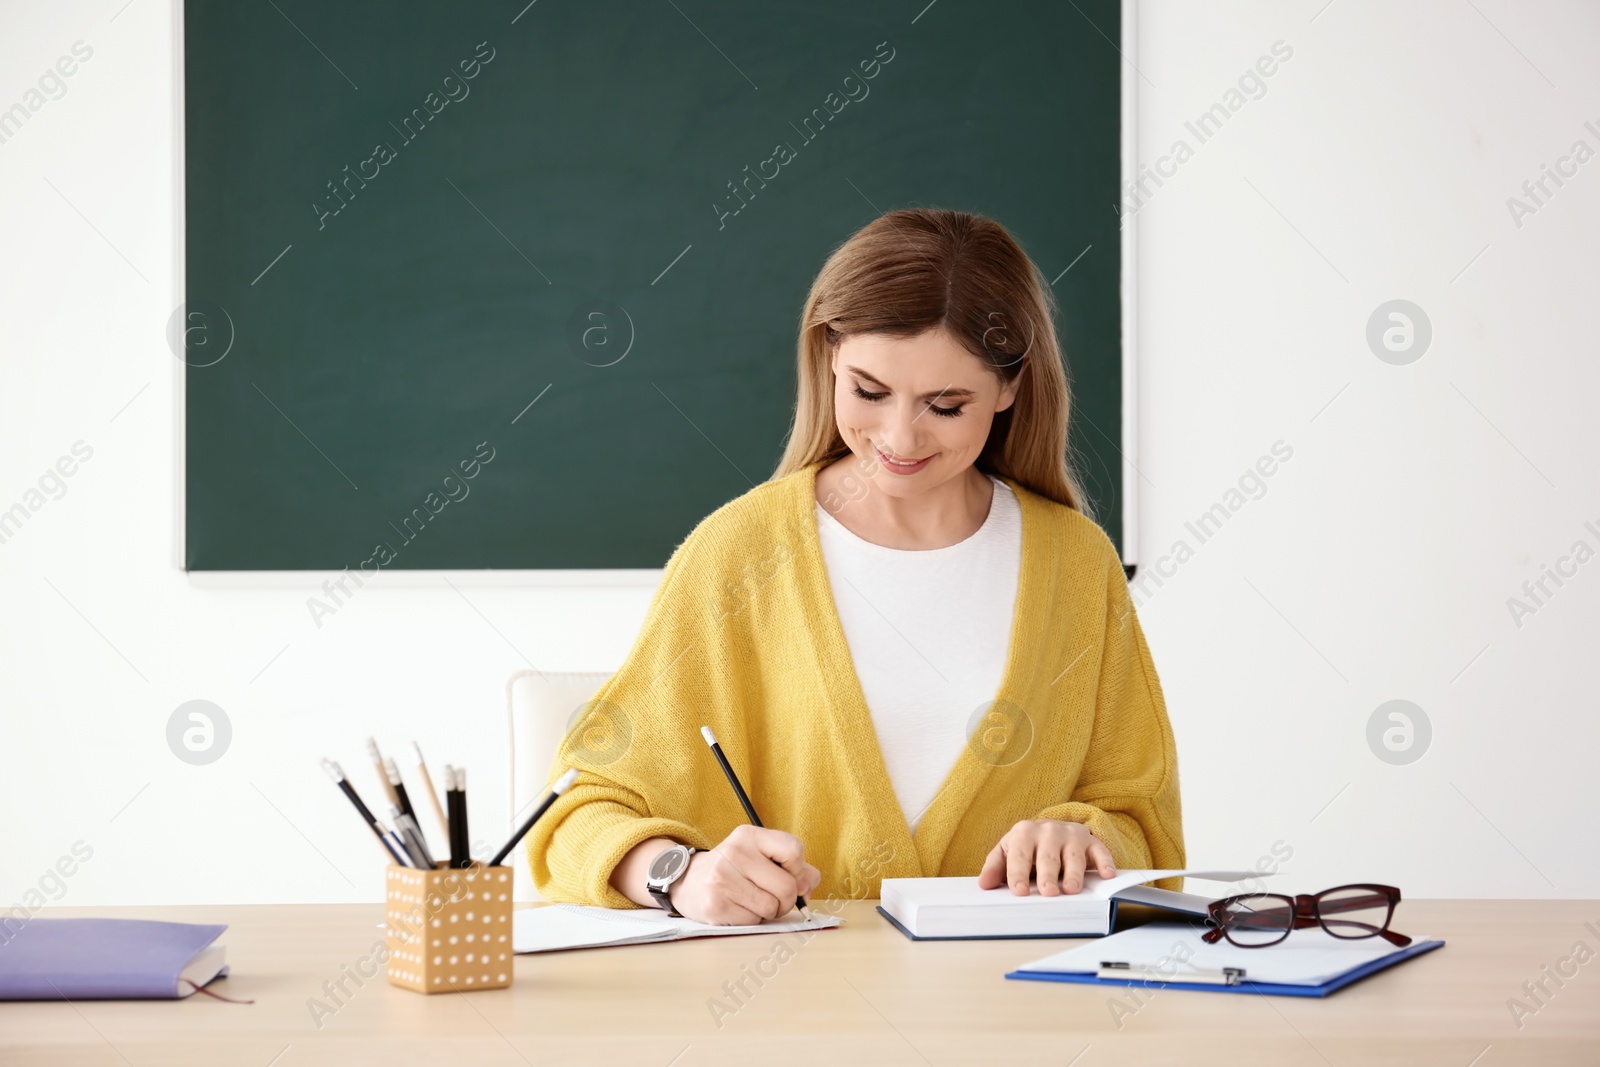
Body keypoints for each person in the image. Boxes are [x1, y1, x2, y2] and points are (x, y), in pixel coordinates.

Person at [526, 208, 1183, 925]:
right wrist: (680, 873)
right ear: (829, 355)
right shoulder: (739, 553)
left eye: (946, 403)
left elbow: (1146, 826)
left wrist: (1085, 839)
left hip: (1017, 1007)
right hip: (794, 1012)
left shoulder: (1078, 563)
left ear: (1010, 386)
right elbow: (578, 811)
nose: (900, 435)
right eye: (870, 392)